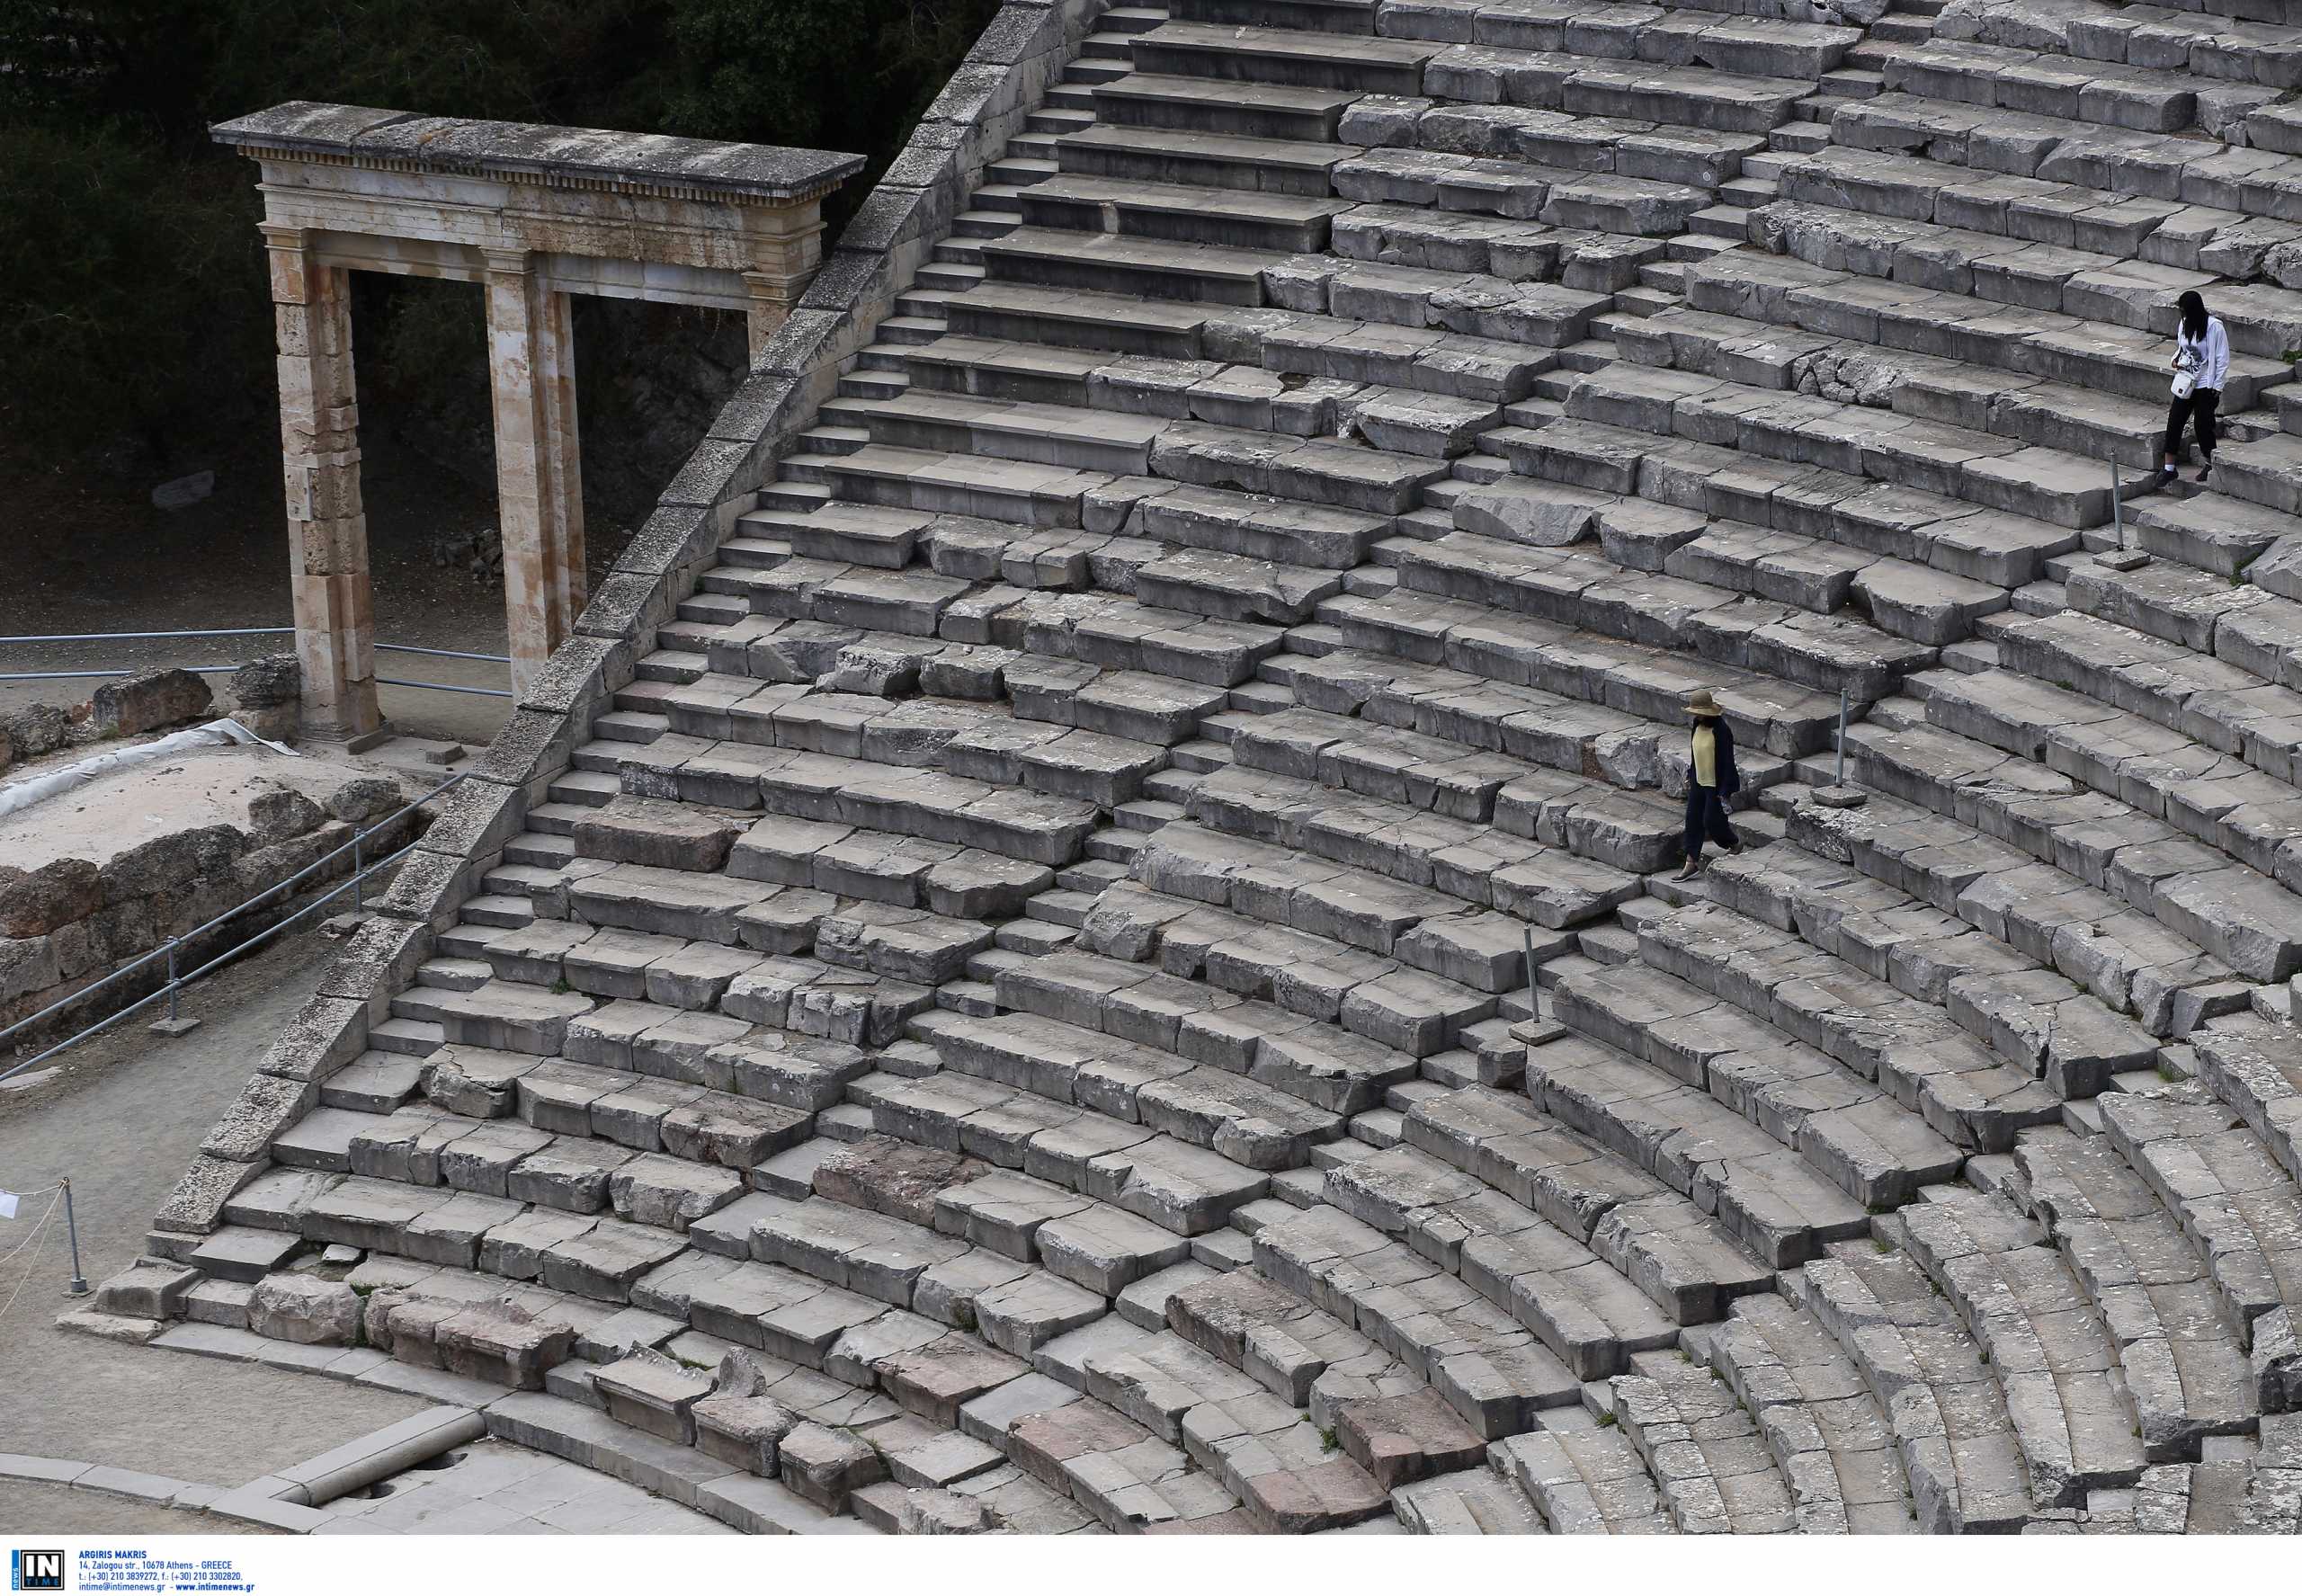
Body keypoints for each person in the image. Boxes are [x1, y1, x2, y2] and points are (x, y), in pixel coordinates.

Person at [1673, 689, 1741, 881]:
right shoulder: (1697, 725)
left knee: (1711, 821)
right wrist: (1691, 774)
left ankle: (1733, 843)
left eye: (1698, 712)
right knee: (1692, 820)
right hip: (1699, 781)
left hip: (1716, 784)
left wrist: (1726, 790)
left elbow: (1728, 761)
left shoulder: (1721, 730)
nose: (1695, 715)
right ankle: (1691, 862)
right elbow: (1696, 753)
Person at [2164, 290, 2228, 486]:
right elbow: (2181, 348)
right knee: (2175, 421)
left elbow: (2222, 358)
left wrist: (2217, 386)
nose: (2183, 315)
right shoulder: (2184, 324)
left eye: (2185, 311)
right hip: (2186, 380)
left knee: (2203, 425)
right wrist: (2175, 360)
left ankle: (2210, 462)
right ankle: (2169, 469)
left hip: (2205, 385)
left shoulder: (2214, 327)